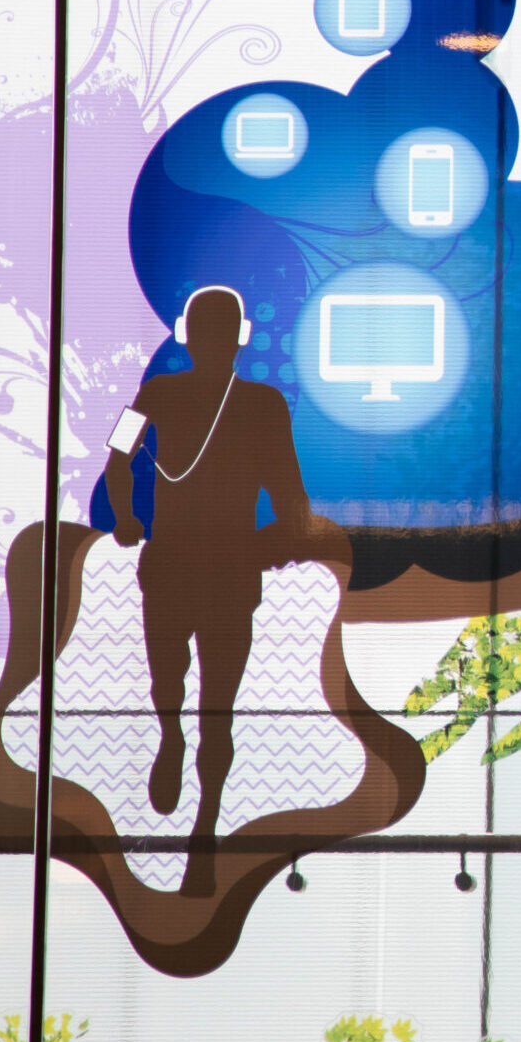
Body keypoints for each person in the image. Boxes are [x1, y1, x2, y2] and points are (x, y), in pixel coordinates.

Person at [102, 285, 331, 898]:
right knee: (169, 683)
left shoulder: (262, 405)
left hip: (225, 567)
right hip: (179, 564)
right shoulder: (159, 394)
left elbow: (289, 486)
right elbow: (117, 460)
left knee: (219, 707)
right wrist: (125, 516)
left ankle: (205, 823)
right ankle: (171, 737)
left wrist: (293, 534)